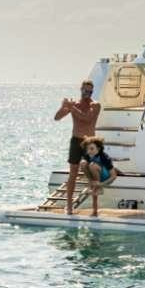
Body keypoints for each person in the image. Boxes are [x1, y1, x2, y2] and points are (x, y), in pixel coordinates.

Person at [53, 80, 101, 214]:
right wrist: (63, 107)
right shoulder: (75, 105)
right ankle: (69, 206)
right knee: (73, 173)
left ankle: (95, 209)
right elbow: (57, 117)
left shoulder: (95, 105)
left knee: (92, 174)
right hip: (75, 141)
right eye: (85, 91)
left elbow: (86, 118)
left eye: (90, 91)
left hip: (90, 142)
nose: (87, 94)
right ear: (81, 90)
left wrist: (71, 107)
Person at [78, 137, 119, 217]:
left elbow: (114, 176)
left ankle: (99, 188)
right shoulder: (88, 155)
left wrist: (101, 184)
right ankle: (95, 211)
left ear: (99, 149)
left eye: (92, 149)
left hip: (106, 178)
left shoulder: (104, 157)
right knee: (83, 163)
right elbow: (85, 167)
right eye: (88, 149)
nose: (89, 151)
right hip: (96, 177)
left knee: (92, 165)